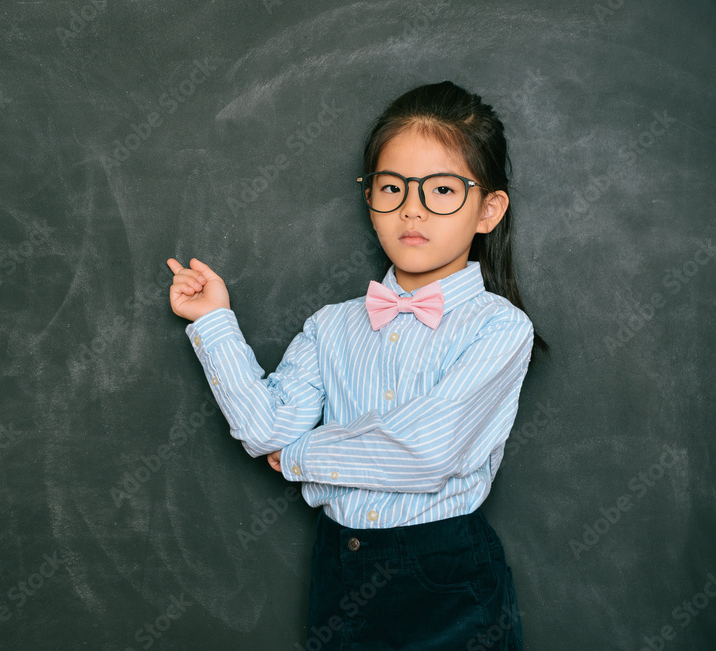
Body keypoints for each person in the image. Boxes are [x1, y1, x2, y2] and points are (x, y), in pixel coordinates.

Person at [167, 81, 548, 650]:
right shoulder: (332, 325)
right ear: (370, 200)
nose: (412, 208)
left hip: (445, 576)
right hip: (341, 567)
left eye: (442, 189)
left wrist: (299, 456)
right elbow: (264, 427)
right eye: (391, 188)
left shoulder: (500, 327)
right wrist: (214, 322)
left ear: (488, 210)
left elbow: (427, 451)